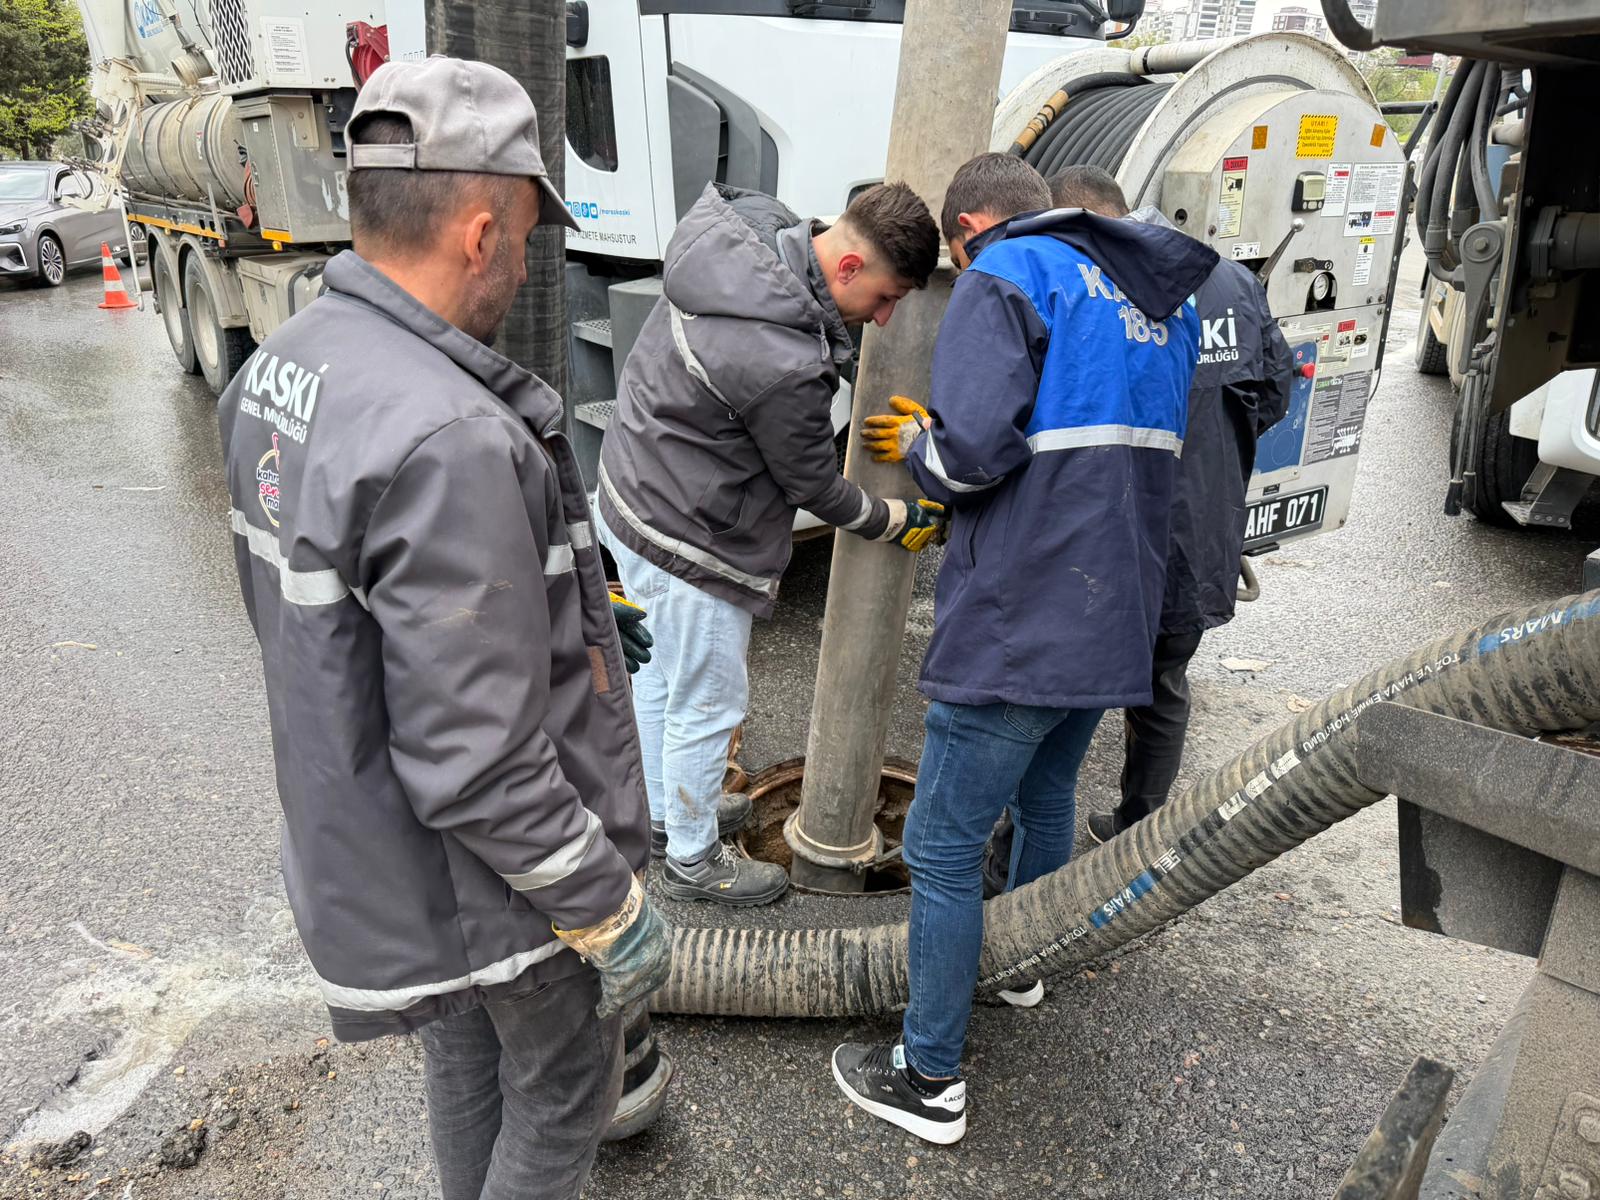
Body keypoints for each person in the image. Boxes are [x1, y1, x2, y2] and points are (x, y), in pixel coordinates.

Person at [217, 57, 671, 1200]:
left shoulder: (283, 367)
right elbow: (478, 762)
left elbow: (345, 614)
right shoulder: (451, 435)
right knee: (562, 1092)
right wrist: (603, 904)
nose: (524, 264)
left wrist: (561, 606)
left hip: (395, 854)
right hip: (496, 880)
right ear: (478, 234)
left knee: (467, 1055)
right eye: (523, 238)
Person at [831, 152, 1217, 1144]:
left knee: (942, 847)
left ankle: (928, 1078)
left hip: (1024, 616)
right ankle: (1020, 968)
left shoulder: (1005, 274)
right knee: (1046, 797)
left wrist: (920, 442)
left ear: (967, 231)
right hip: (1113, 613)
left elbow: (970, 461)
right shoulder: (1153, 299)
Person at [596, 181, 944, 907]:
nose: (884, 318)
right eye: (885, 298)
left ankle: (666, 814)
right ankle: (693, 862)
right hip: (690, 535)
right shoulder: (784, 362)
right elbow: (813, 484)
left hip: (632, 489)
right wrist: (890, 517)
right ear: (848, 266)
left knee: (659, 676)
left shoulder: (750, 232)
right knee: (707, 701)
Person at [1044, 166, 1294, 845]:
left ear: (1080, 222)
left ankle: (1021, 845)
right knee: (1163, 681)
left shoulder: (1085, 281)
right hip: (1201, 529)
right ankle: (1139, 828)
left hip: (1114, 531)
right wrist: (1216, 451)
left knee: (1061, 689)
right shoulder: (1231, 279)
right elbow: (1274, 393)